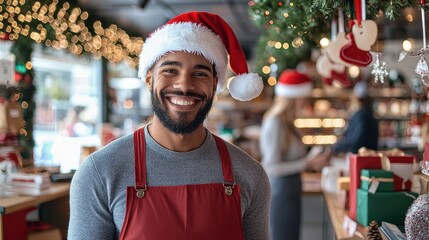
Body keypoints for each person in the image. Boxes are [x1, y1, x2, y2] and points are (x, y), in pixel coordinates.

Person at [68, 11, 270, 240]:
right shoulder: (99, 172)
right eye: (170, 70)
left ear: (215, 84)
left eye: (200, 73)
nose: (184, 85)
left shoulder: (250, 175)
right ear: (148, 77)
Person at [259, 70, 331, 240]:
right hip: (279, 191)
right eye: (303, 96)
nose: (305, 101)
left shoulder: (287, 121)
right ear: (293, 97)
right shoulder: (275, 122)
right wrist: (307, 163)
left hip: (290, 189)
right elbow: (270, 167)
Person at [331, 81, 379, 155]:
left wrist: (335, 148)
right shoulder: (366, 115)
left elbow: (355, 142)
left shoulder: (362, 117)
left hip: (362, 159)